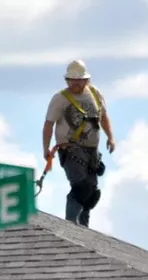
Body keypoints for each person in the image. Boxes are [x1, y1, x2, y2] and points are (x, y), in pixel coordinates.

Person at [42, 59, 116, 228]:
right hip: (70, 149)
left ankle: (83, 227)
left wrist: (110, 137)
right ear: (67, 80)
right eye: (71, 80)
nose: (74, 83)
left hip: (92, 151)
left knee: (92, 192)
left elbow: (103, 117)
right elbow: (48, 124)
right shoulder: (61, 98)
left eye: (78, 79)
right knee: (81, 186)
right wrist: (45, 148)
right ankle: (70, 225)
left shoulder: (95, 94)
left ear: (86, 80)